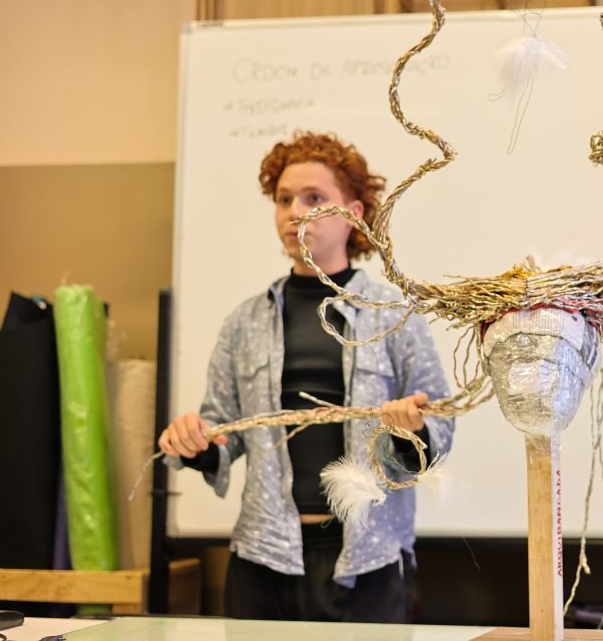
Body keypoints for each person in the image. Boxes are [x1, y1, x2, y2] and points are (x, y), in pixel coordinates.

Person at [158, 131, 452, 622]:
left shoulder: (395, 316)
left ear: (354, 213)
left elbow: (439, 428)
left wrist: (412, 431)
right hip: (263, 560)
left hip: (370, 559)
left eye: (315, 198)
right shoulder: (244, 322)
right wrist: (194, 442)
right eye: (284, 199)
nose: (295, 211)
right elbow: (222, 431)